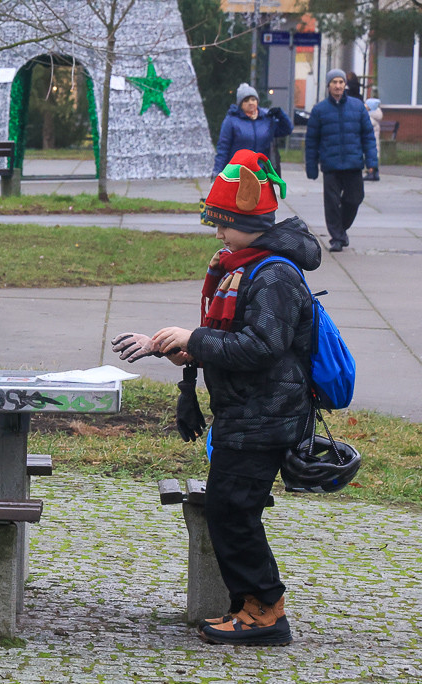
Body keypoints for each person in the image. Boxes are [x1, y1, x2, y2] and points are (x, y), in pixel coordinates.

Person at [112, 149, 322, 646]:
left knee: (233, 510)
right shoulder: (242, 265)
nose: (218, 234)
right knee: (232, 509)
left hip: (266, 415)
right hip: (246, 413)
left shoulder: (274, 274)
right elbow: (236, 340)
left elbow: (262, 346)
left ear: (252, 223)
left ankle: (266, 613)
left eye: (224, 224)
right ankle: (248, 607)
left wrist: (195, 338)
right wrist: (183, 350)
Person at [305, 68, 377, 253]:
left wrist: (372, 163)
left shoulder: (357, 107)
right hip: (331, 165)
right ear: (328, 85)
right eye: (334, 82)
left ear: (345, 85)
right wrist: (311, 166)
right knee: (331, 203)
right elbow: (312, 141)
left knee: (354, 199)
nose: (338, 86)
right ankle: (336, 238)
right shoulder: (320, 110)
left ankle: (341, 229)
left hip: (353, 164)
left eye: (341, 82)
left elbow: (368, 137)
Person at [212, 83, 292, 177]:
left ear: (257, 101)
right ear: (240, 104)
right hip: (237, 173)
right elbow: (223, 148)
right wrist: (217, 173)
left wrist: (280, 114)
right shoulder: (231, 121)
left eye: (253, 99)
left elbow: (287, 129)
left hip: (261, 173)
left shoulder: (266, 119)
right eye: (246, 100)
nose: (250, 103)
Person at [365, 98, 383, 181]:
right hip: (375, 142)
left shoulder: (369, 117)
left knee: (370, 155)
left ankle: (371, 172)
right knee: (374, 156)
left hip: (370, 141)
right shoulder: (375, 116)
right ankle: (375, 172)